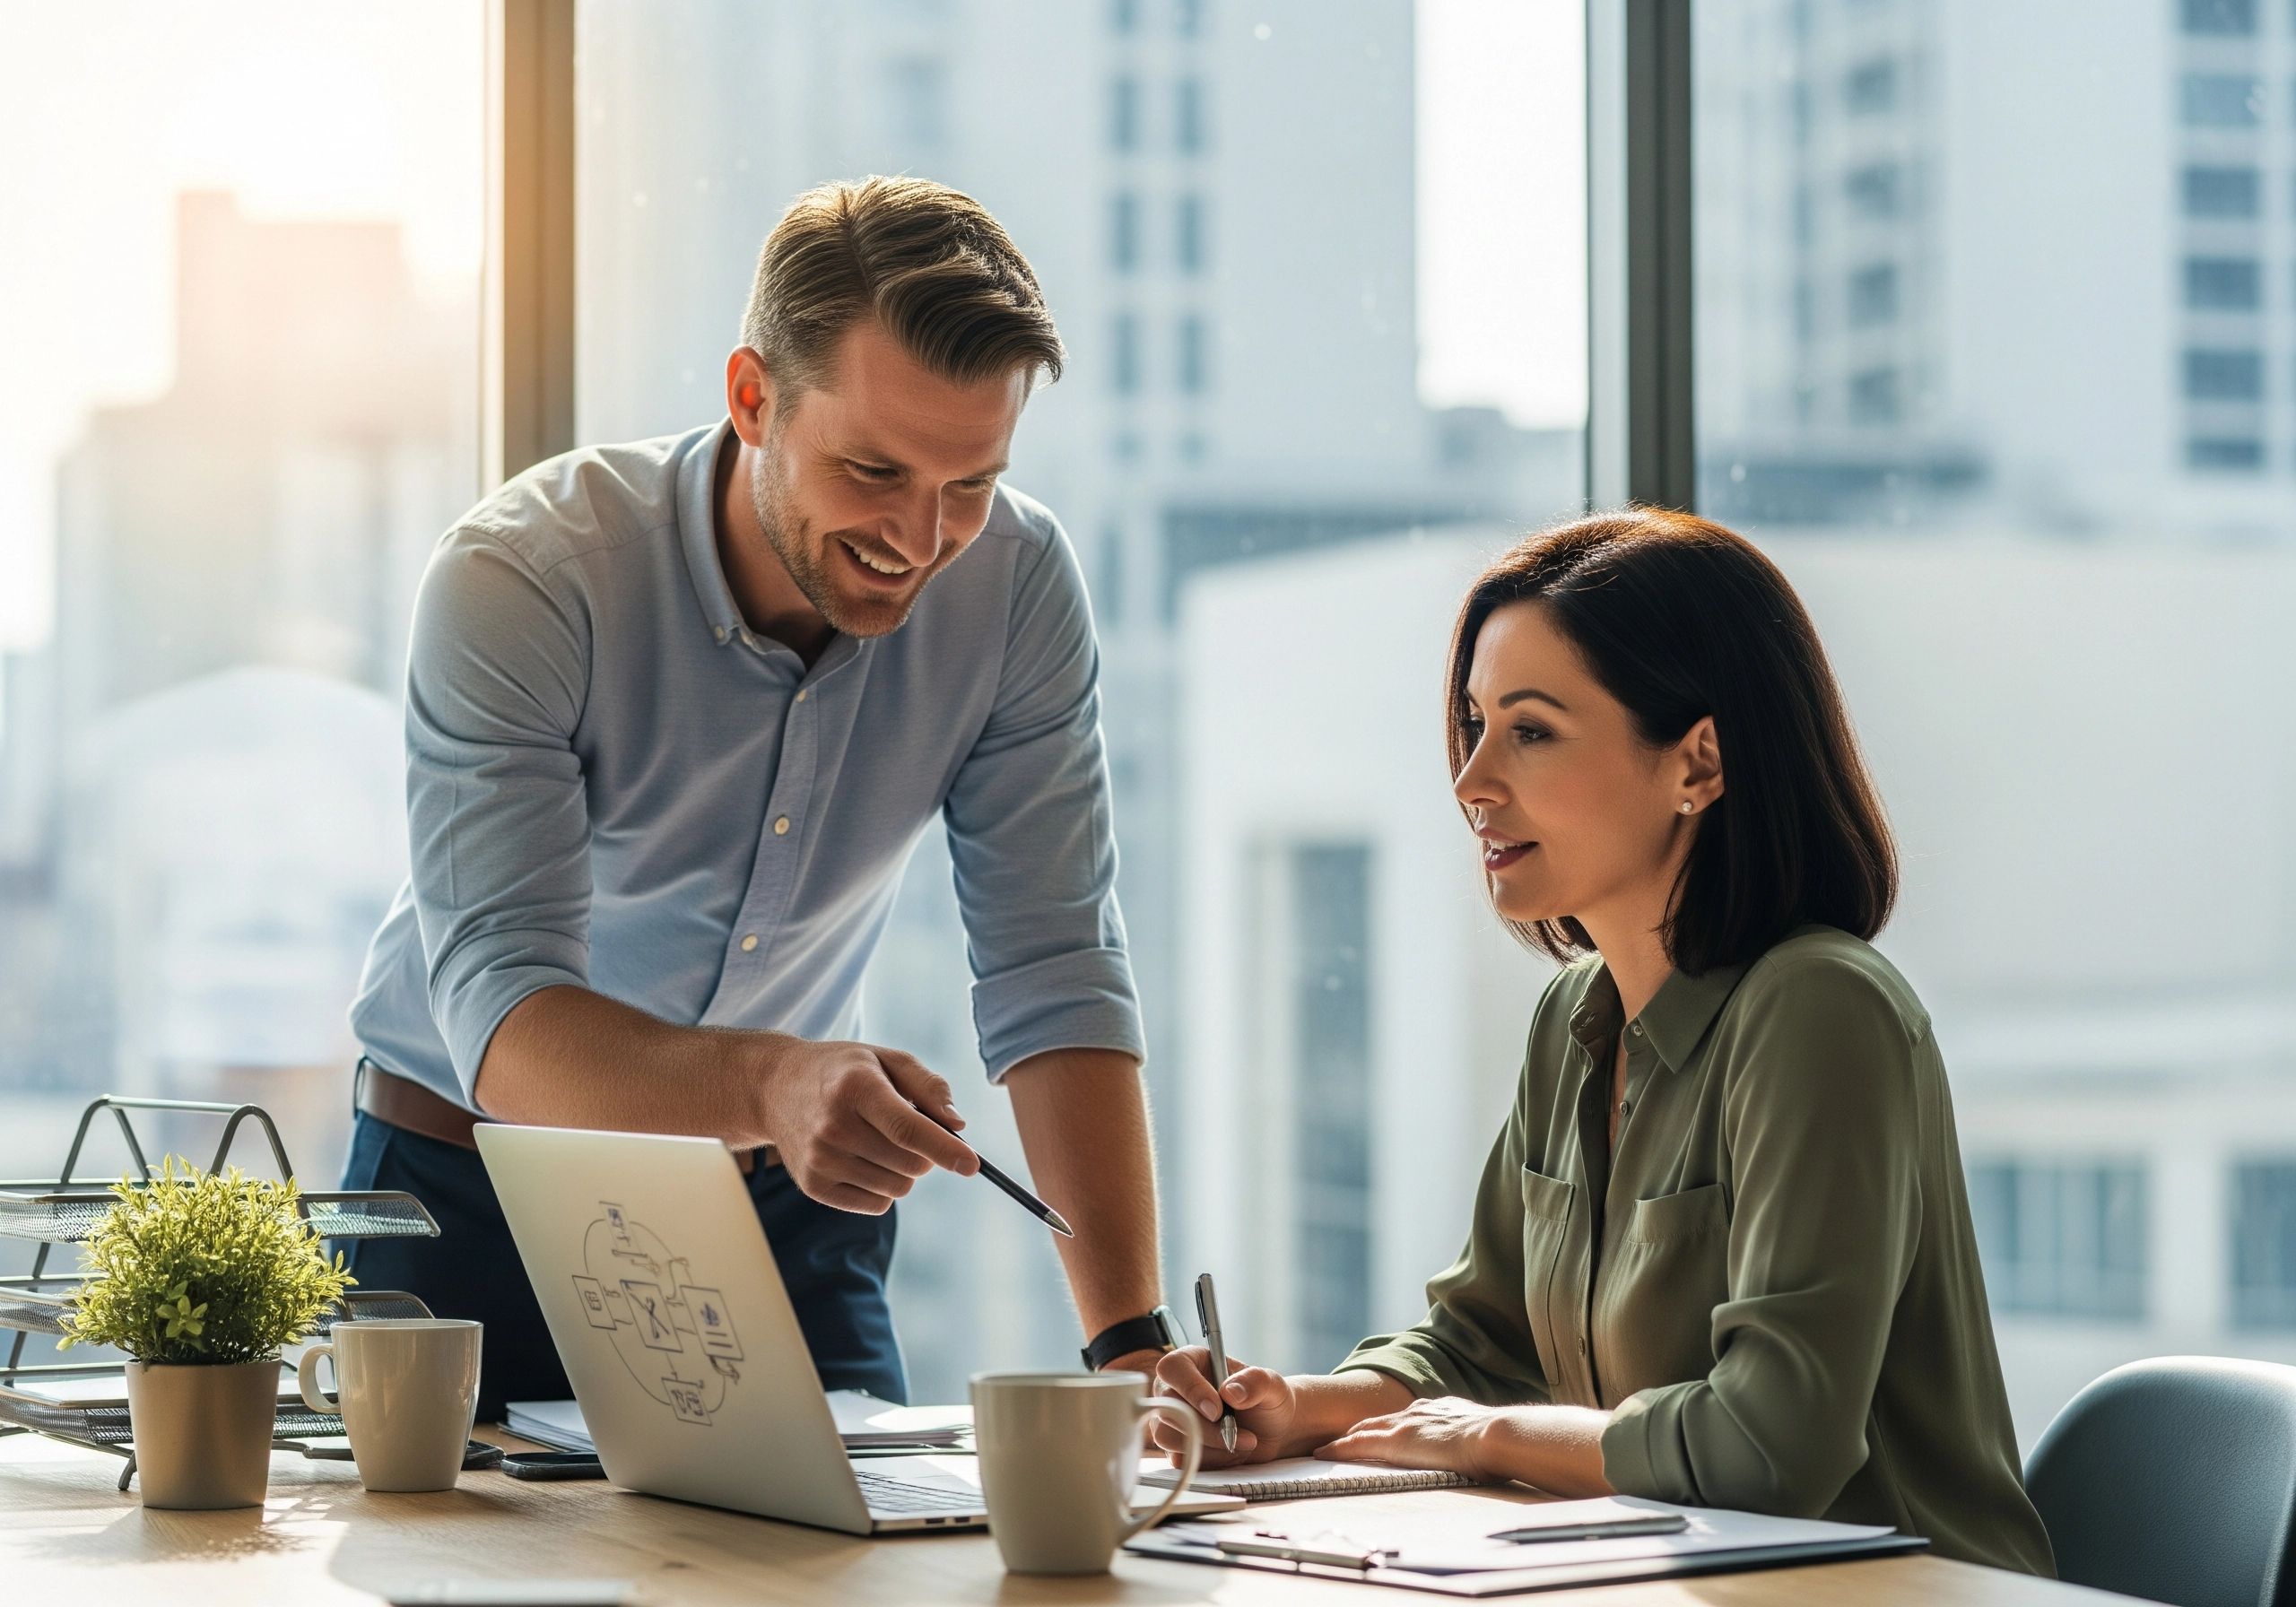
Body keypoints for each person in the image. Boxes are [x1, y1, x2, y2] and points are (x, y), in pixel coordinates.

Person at [340, 177, 1177, 1418]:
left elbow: (1053, 963)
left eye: (970, 483)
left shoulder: (1018, 587)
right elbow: (504, 1020)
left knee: (866, 1570)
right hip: (469, 1193)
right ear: (752, 399)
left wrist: (1131, 1348)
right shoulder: (525, 576)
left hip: (782, 1199)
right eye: (873, 470)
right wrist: (770, 1085)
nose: (922, 536)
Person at [1152, 509, 2055, 1576]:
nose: (1471, 779)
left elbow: (1769, 1446)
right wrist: (1298, 1406)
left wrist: (1491, 1435)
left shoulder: (1821, 1009)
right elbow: (1478, 1341)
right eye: (1474, 723)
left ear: (1698, 763)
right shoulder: (1574, 1019)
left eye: (1530, 730)